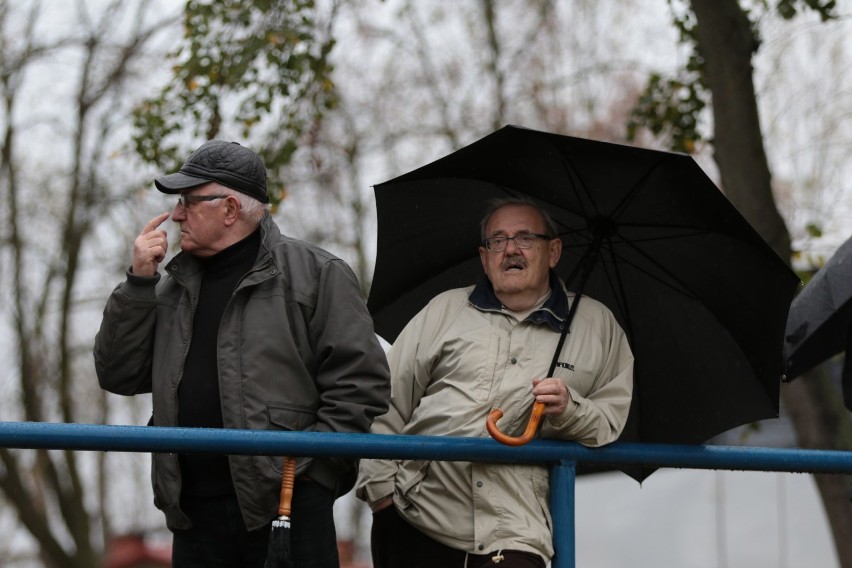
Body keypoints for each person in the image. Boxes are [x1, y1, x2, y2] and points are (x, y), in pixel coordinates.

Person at [94, 140, 391, 568]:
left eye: (188, 202)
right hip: (193, 515)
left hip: (288, 509)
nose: (176, 214)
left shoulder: (317, 274)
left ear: (230, 209)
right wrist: (138, 283)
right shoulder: (166, 287)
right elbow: (117, 374)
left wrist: (313, 477)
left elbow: (361, 384)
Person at [356, 197, 634, 568]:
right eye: (497, 241)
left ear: (553, 251)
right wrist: (382, 496)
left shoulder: (597, 325)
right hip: (416, 516)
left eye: (525, 238)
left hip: (516, 529)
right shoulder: (445, 309)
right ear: (485, 257)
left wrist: (570, 409)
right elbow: (386, 400)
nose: (511, 250)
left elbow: (610, 420)